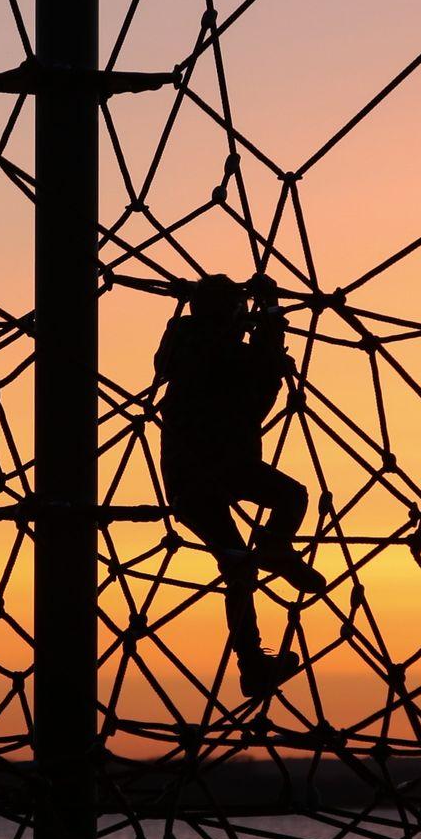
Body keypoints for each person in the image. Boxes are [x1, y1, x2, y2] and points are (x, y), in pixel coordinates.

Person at [153, 273, 325, 697]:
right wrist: (268, 312)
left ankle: (252, 663)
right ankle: (274, 549)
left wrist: (259, 316)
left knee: (239, 564)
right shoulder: (218, 352)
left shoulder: (188, 344)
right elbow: (263, 368)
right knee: (289, 498)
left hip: (193, 476)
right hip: (217, 469)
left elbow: (255, 369)